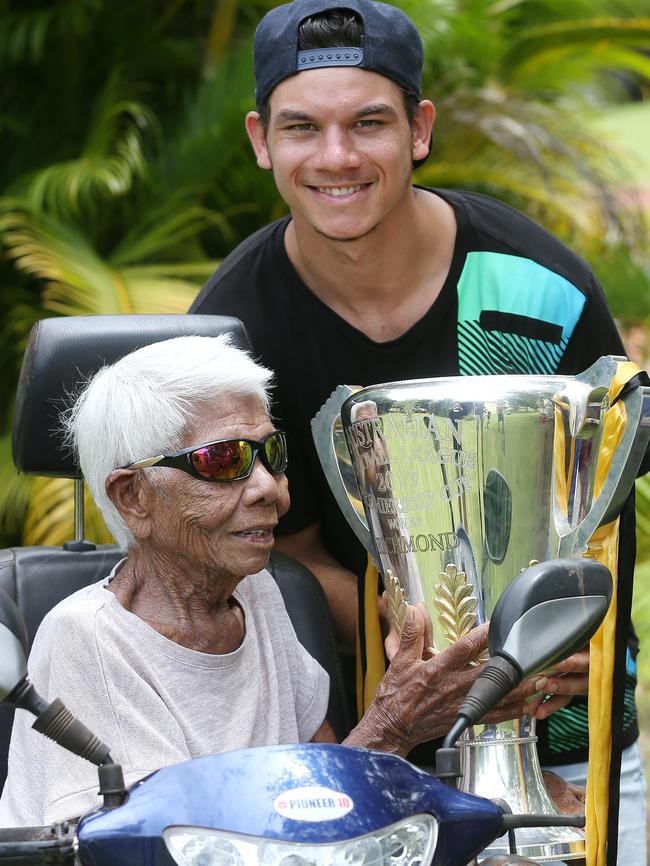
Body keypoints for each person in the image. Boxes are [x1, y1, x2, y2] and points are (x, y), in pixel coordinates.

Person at [188, 1, 648, 862]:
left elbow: (607, 519)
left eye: (368, 123)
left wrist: (566, 632)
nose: (336, 157)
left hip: (572, 744)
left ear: (419, 128)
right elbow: (274, 560)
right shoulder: (231, 335)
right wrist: (462, 654)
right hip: (370, 752)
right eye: (302, 127)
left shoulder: (537, 290)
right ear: (260, 139)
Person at [0, 334, 562, 827]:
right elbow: (181, 847)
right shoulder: (87, 642)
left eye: (271, 453)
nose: (271, 488)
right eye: (223, 461)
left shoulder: (257, 591)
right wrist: (394, 725)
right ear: (134, 497)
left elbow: (324, 782)